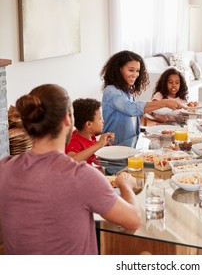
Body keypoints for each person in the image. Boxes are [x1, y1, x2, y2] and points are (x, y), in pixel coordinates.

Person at [0, 84, 141, 255]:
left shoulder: (4, 169)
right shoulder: (81, 176)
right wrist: (124, 184)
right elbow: (133, 220)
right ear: (68, 120)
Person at [100, 50, 185, 146]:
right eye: (131, 70)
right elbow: (131, 109)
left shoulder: (127, 90)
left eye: (137, 71)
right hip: (114, 145)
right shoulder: (111, 91)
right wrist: (164, 102)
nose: (135, 74)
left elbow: (134, 118)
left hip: (129, 144)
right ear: (119, 69)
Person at [65, 98, 114, 164]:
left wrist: (104, 144)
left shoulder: (89, 135)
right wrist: (99, 145)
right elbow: (71, 161)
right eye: (100, 119)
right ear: (88, 124)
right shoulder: (74, 141)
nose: (103, 121)